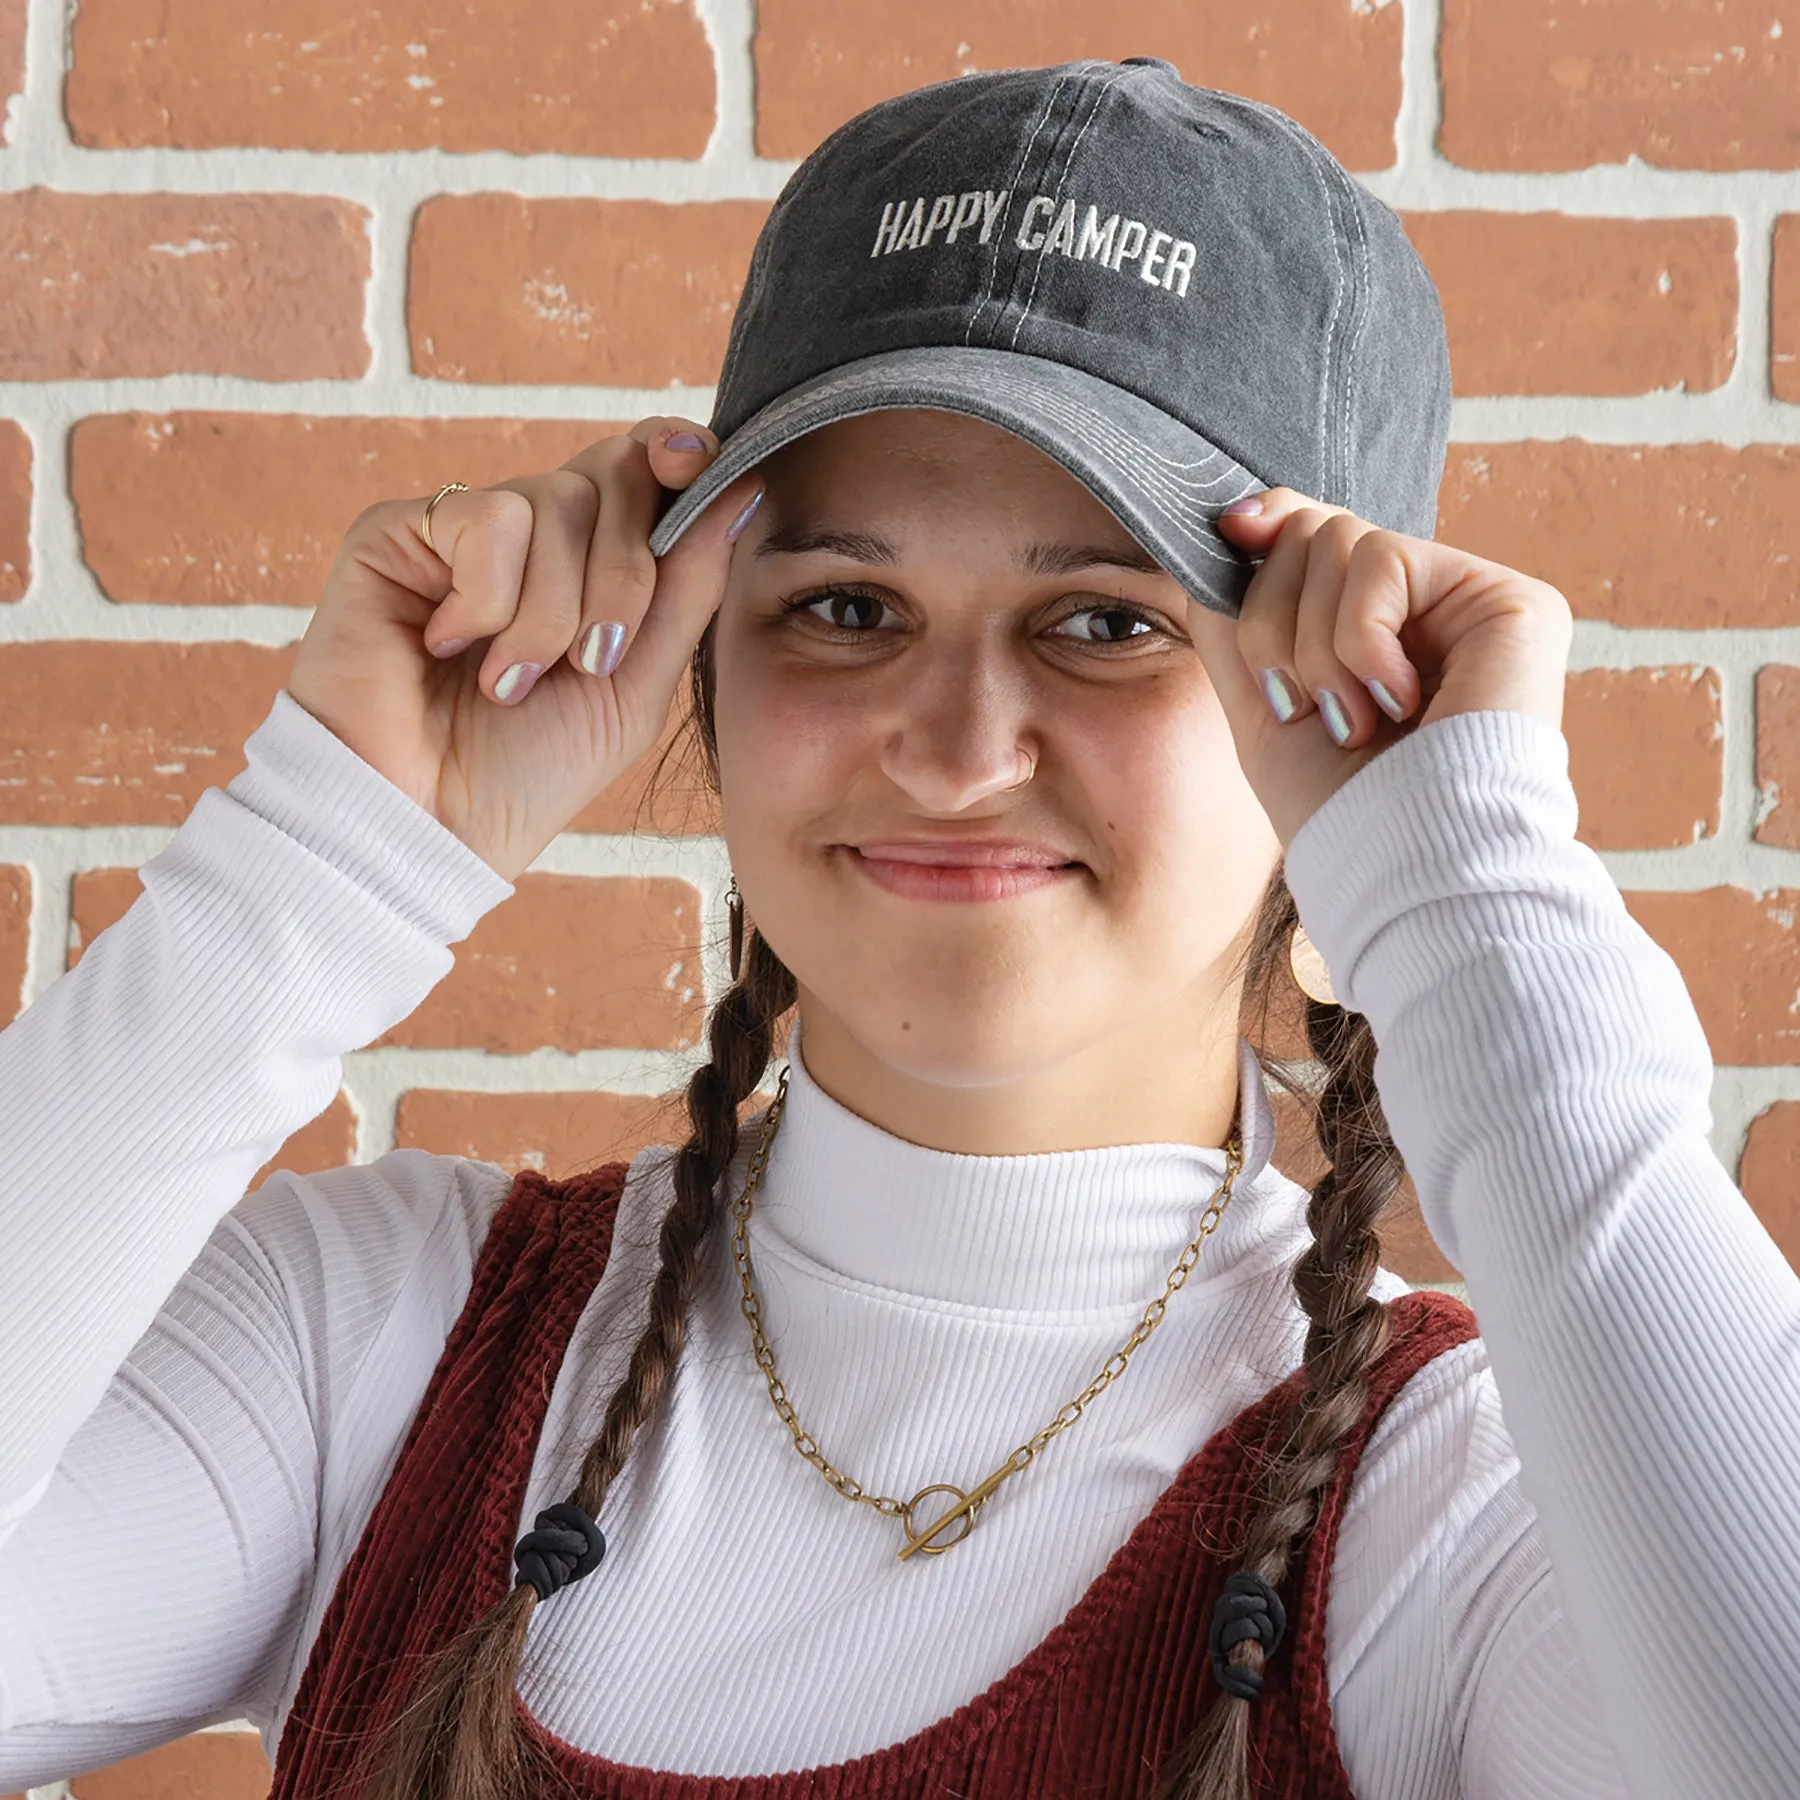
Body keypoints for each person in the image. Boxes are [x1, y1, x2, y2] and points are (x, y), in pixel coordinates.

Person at [2, 55, 1796, 1800]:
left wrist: (1466, 893)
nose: (952, 754)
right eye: (848, 603)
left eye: (1108, 622)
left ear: (1345, 712)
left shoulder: (1461, 1515)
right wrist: (325, 855)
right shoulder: (380, 1345)